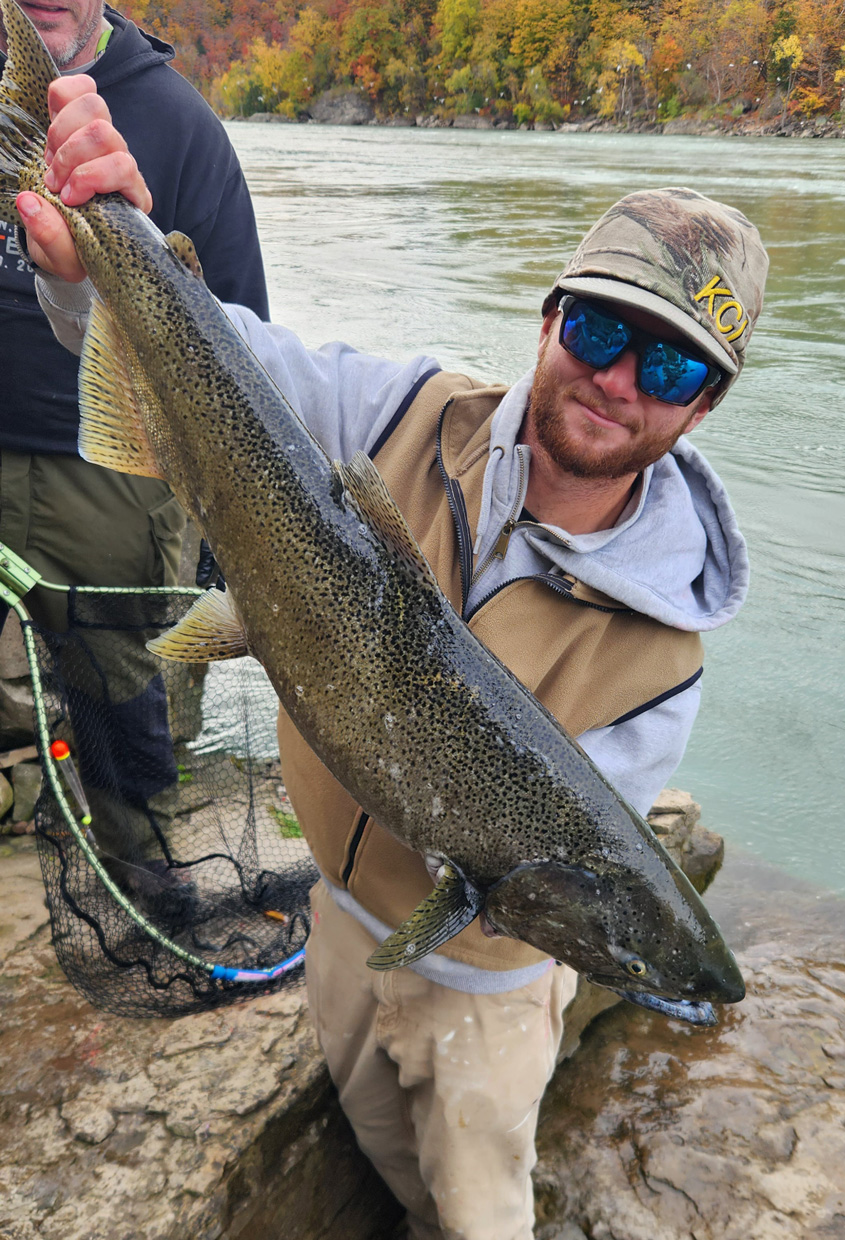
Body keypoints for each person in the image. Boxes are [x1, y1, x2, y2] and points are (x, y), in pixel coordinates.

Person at [19, 79, 768, 1240]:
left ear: (704, 406)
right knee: (373, 1143)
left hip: (485, 996)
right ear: (549, 320)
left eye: (669, 369)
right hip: (337, 918)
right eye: (601, 331)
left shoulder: (663, 656)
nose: (619, 381)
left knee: (472, 1208)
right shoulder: (408, 411)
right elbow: (216, 355)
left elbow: (549, 881)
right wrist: (98, 256)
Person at [0, 1, 268, 908]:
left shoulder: (180, 125)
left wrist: (227, 541)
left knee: (119, 687)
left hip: (116, 477)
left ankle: (141, 867)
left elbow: (246, 347)